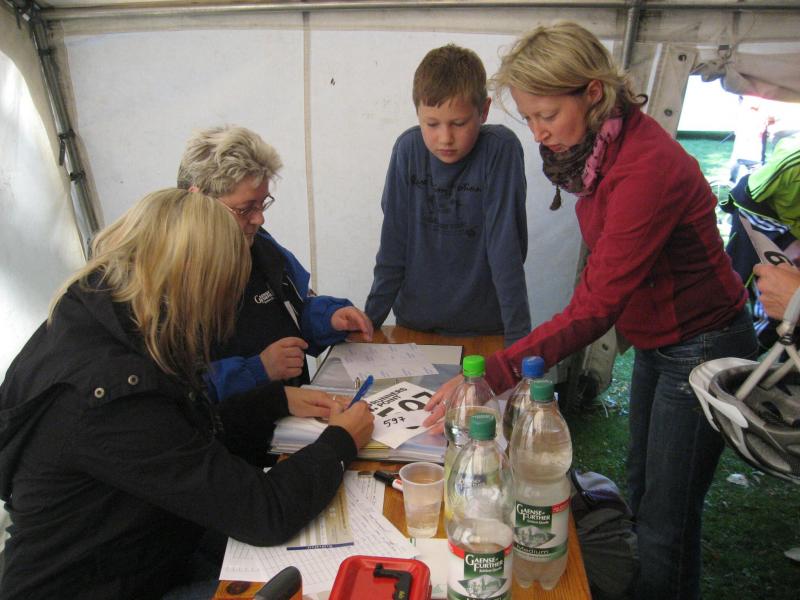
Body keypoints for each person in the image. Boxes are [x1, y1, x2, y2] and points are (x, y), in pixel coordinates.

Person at [425, 23, 757, 600]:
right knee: (645, 489)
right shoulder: (602, 152)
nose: (538, 132)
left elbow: (598, 304)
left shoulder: (644, 168)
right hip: (663, 341)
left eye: (547, 115)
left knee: (667, 518)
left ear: (594, 92)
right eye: (529, 117)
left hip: (703, 344)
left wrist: (500, 370)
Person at [0, 189, 374, 599]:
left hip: (151, 546)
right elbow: (265, 512)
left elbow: (179, 435)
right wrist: (341, 442)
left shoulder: (99, 322)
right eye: (226, 292)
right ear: (195, 282)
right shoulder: (110, 396)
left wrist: (275, 401)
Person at [177, 126, 373, 401]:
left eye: (263, 204)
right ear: (199, 201)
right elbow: (177, 390)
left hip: (292, 418)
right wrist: (259, 369)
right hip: (236, 427)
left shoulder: (262, 248)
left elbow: (294, 311)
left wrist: (329, 319)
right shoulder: (169, 277)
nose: (259, 219)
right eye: (245, 209)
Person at [364, 44, 531, 347]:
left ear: (484, 111)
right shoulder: (407, 150)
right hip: (415, 325)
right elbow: (392, 245)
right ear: (417, 113)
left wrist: (519, 341)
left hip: (486, 327)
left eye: (458, 123)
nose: (445, 138)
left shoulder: (500, 150)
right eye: (431, 124)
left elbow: (506, 249)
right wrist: (370, 322)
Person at [720, 132, 800, 348]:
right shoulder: (793, 162)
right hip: (763, 217)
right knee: (767, 289)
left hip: (789, 225)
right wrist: (783, 239)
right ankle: (750, 347)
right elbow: (748, 194)